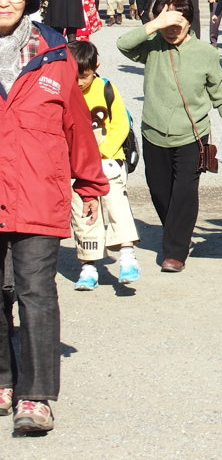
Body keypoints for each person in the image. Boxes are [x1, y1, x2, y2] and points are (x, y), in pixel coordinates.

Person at [0, 0, 108, 433]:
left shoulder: (56, 55)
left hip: (38, 191)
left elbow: (76, 125)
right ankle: (3, 380)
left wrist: (90, 184)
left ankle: (37, 396)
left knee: (36, 292)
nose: (4, 1)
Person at [117, 0, 222, 273]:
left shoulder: (205, 53)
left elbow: (220, 93)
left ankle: (175, 251)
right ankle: (178, 232)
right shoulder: (153, 45)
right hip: (154, 131)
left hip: (192, 134)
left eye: (176, 25)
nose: (170, 31)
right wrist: (155, 24)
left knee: (184, 193)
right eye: (165, 24)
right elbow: (123, 45)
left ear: (189, 22)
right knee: (159, 190)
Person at [65, 40, 141, 290]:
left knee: (116, 204)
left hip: (108, 161)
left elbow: (120, 125)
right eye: (74, 76)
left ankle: (127, 256)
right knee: (83, 214)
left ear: (96, 67)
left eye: (84, 76)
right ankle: (88, 266)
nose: (79, 82)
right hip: (76, 165)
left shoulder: (107, 89)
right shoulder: (64, 92)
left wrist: (103, 152)